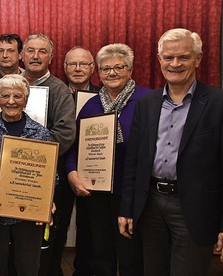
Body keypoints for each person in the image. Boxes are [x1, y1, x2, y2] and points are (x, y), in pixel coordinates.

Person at [118, 28, 223, 275]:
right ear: (159, 60)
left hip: (196, 210)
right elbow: (134, 160)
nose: (175, 64)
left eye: (183, 57)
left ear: (198, 59)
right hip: (150, 205)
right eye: (168, 57)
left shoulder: (218, 103)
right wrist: (127, 209)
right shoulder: (147, 103)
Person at [66, 43, 149, 276]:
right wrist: (72, 173)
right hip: (98, 193)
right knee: (101, 252)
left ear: (130, 70)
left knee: (133, 252)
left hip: (133, 191)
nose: (111, 73)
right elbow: (75, 146)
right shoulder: (91, 105)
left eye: (118, 67)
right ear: (98, 72)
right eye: (105, 69)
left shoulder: (148, 100)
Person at [20, 33, 76, 276]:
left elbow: (65, 133)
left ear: (51, 57)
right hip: (13, 176)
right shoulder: (11, 83)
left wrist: (29, 154)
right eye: (30, 50)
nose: (35, 56)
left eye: (42, 51)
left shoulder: (59, 90)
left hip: (47, 175)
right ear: (21, 55)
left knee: (47, 240)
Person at [0, 74, 51, 276]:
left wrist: (47, 201)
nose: (11, 101)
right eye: (5, 96)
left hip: (29, 214)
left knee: (28, 267)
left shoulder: (40, 133)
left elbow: (51, 175)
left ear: (26, 99)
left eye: (17, 96)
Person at [62, 46, 99, 276]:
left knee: (89, 229)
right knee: (57, 227)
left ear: (92, 67)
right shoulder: (54, 93)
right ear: (64, 67)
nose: (77, 69)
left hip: (92, 170)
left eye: (83, 64)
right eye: (72, 64)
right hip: (57, 170)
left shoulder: (104, 96)